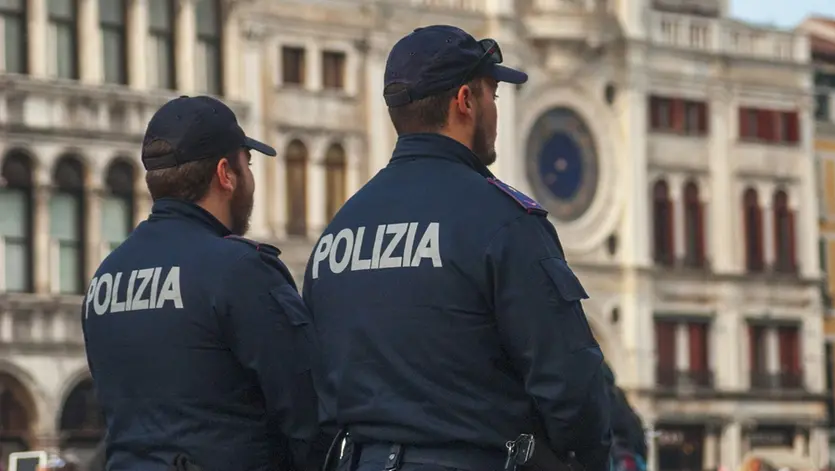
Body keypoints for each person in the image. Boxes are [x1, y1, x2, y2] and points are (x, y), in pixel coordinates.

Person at [302, 25, 612, 471]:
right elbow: (570, 385)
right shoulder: (503, 221)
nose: (495, 112)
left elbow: (316, 391)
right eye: (493, 95)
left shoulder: (337, 234)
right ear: (465, 101)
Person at [83, 96, 323, 471]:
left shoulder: (106, 278)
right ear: (226, 174)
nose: (251, 180)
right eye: (248, 164)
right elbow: (309, 413)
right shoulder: (240, 270)